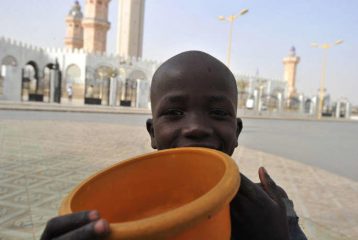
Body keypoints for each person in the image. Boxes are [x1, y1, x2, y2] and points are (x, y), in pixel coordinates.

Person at [40, 51, 306, 240]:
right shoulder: (122, 211)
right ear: (153, 133)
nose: (196, 128)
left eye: (218, 113)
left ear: (236, 132)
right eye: (174, 113)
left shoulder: (269, 211)